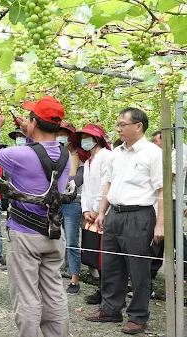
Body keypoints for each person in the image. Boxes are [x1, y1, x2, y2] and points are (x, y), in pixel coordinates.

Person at [0, 97, 71, 336]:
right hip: (54, 234)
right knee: (54, 292)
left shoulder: (19, 155)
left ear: (33, 122)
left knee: (27, 296)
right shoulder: (66, 156)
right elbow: (43, 153)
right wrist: (31, 132)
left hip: (25, 234)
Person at [85, 108, 163, 335]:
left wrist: (160, 225)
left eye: (122, 124)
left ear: (138, 126)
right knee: (110, 264)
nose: (118, 128)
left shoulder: (153, 153)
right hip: (114, 215)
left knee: (139, 268)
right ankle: (110, 309)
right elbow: (109, 183)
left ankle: (138, 315)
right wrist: (102, 212)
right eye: (117, 124)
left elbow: (161, 190)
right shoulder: (116, 153)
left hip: (139, 215)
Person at [69, 124, 112, 304]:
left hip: (106, 212)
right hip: (93, 213)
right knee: (96, 253)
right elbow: (85, 188)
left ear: (96, 139)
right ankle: (102, 290)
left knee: (107, 255)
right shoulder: (87, 162)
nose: (85, 141)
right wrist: (86, 209)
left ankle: (109, 292)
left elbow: (105, 185)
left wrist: (96, 209)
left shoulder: (107, 157)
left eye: (88, 137)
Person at [150, 130, 187, 283]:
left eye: (155, 141)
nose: (153, 144)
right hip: (157, 201)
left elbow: (164, 178)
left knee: (177, 238)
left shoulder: (178, 157)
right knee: (158, 240)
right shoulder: (158, 157)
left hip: (171, 202)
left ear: (164, 141)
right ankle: (150, 275)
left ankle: (184, 272)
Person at [56, 122, 84, 295]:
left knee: (72, 241)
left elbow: (78, 179)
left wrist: (60, 181)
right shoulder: (58, 154)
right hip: (56, 201)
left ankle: (75, 278)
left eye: (65, 134)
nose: (61, 137)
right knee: (54, 238)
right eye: (59, 133)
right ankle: (55, 271)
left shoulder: (80, 156)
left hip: (73, 202)